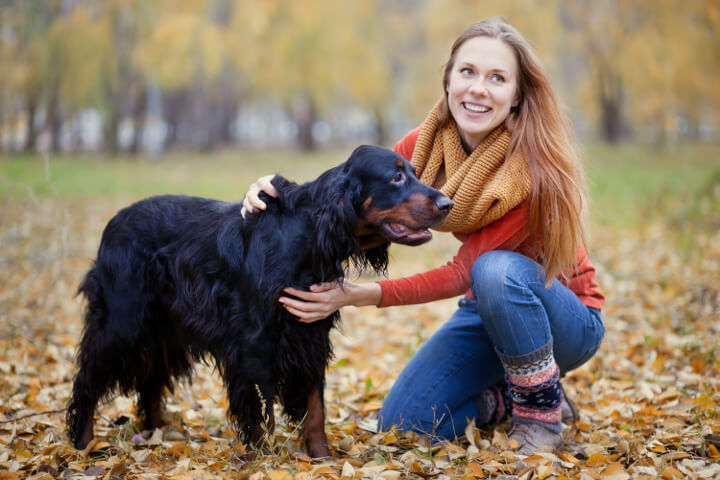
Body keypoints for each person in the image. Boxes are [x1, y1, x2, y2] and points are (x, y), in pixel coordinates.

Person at [241, 18, 605, 454]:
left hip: (565, 318)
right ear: (448, 79)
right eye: (467, 72)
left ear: (516, 97)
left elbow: (463, 273)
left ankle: (539, 415)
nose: (478, 89)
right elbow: (347, 192)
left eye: (497, 78)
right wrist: (276, 190)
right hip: (488, 313)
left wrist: (358, 293)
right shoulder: (425, 146)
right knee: (406, 424)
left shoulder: (532, 170)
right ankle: (507, 398)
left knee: (495, 270)